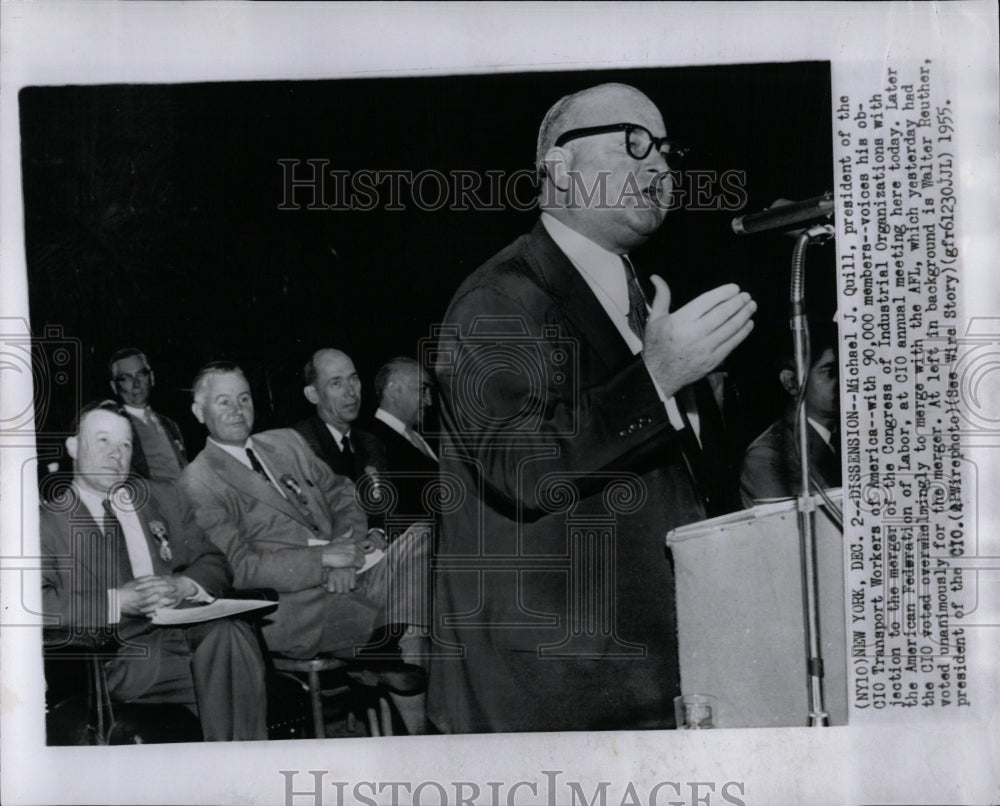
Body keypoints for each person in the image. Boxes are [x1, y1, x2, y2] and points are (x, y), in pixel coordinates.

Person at [429, 82, 757, 733]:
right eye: (634, 141)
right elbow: (519, 466)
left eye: (666, 150)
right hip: (553, 695)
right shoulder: (500, 297)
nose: (659, 166)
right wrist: (656, 376)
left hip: (660, 671)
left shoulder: (643, 297)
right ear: (558, 164)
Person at [178, 362, 431, 733]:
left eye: (244, 398)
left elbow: (344, 494)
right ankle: (413, 723)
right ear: (199, 412)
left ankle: (383, 650)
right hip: (294, 600)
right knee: (409, 621)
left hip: (350, 569)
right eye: (223, 401)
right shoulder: (198, 481)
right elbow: (239, 568)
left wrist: (345, 549)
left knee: (421, 537)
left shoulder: (285, 443)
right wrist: (323, 560)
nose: (237, 408)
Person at [40, 400, 268, 741]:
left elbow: (215, 562)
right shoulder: (45, 521)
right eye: (102, 441)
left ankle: (229, 774)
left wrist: (184, 585)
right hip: (123, 656)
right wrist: (116, 602)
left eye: (125, 445)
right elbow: (32, 604)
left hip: (187, 634)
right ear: (73, 447)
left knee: (229, 637)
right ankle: (241, 777)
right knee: (237, 668)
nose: (115, 454)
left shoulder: (162, 498)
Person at [740, 328, 841, 506]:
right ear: (791, 382)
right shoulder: (767, 457)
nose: (847, 380)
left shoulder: (842, 437)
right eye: (830, 371)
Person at [293, 348, 384, 483]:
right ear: (313, 394)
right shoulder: (298, 446)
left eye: (353, 379)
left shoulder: (371, 444)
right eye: (336, 383)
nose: (351, 392)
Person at [369, 357, 438, 531]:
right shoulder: (369, 440)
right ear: (393, 390)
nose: (429, 401)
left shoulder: (423, 437)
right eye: (423, 390)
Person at [108, 348, 188, 481]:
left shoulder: (170, 424)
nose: (136, 384)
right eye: (125, 378)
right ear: (114, 386)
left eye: (141, 374)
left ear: (151, 378)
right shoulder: (113, 427)